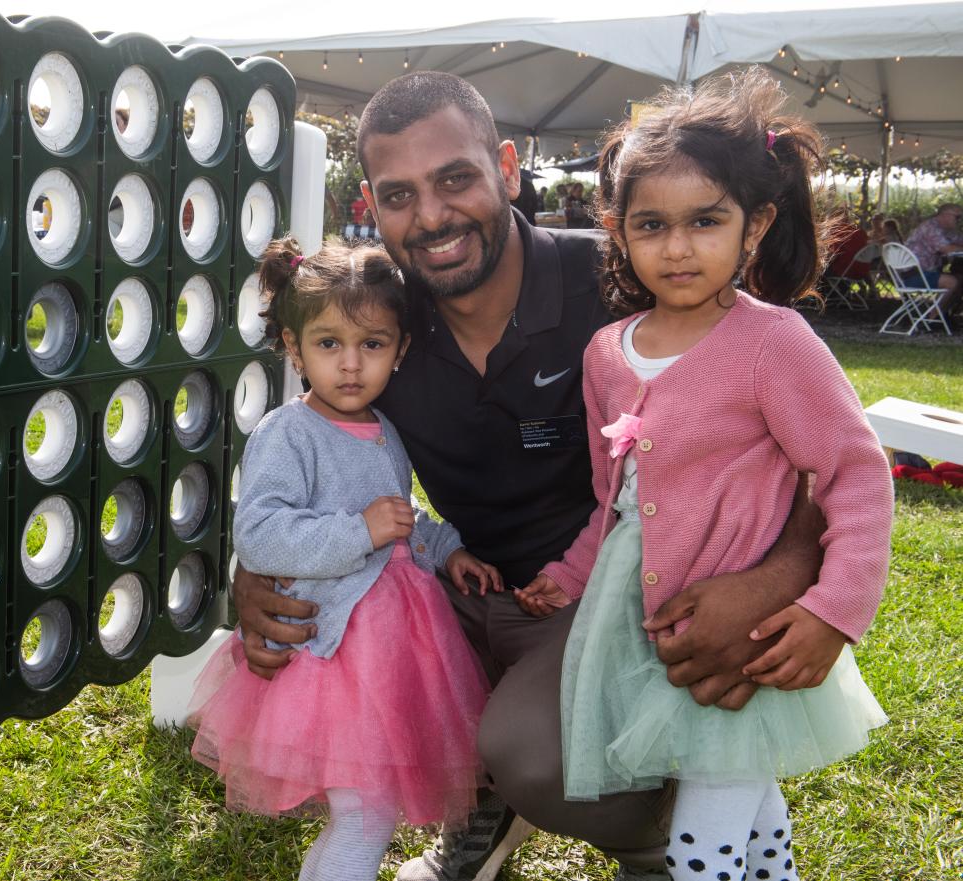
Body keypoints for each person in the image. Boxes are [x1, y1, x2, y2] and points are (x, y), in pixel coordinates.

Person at [234, 70, 825, 881]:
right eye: (399, 194)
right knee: (370, 663)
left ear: (507, 168)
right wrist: (255, 568)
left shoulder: (627, 283)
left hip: (616, 594)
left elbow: (809, 451)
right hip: (461, 581)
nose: (432, 216)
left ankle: (666, 845)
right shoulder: (378, 324)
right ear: (370, 203)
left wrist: (776, 583)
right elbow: (307, 449)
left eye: (455, 178)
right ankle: (486, 805)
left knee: (535, 758)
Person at [516, 69, 890, 881]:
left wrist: (836, 609)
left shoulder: (774, 344)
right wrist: (569, 574)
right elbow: (612, 500)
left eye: (705, 221)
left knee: (702, 842)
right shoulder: (605, 354)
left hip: (747, 633)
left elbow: (856, 476)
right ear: (616, 230)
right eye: (652, 224)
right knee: (743, 809)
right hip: (647, 628)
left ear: (754, 226)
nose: (678, 247)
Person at [189, 237, 502, 881]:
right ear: (292, 346)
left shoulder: (385, 430)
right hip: (334, 662)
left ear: (401, 349)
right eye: (329, 344)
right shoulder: (288, 432)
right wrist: (357, 529)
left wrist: (448, 552)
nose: (351, 365)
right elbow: (261, 534)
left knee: (370, 816)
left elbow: (400, 519)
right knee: (366, 818)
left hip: (394, 660)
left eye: (373, 344)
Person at [903, 203, 963, 322]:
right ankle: (933, 317)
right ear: (945, 215)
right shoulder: (930, 228)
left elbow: (959, 240)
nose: (959, 221)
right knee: (952, 282)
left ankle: (943, 315)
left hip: (925, 272)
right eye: (957, 217)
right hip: (913, 275)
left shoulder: (945, 230)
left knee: (960, 279)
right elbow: (947, 249)